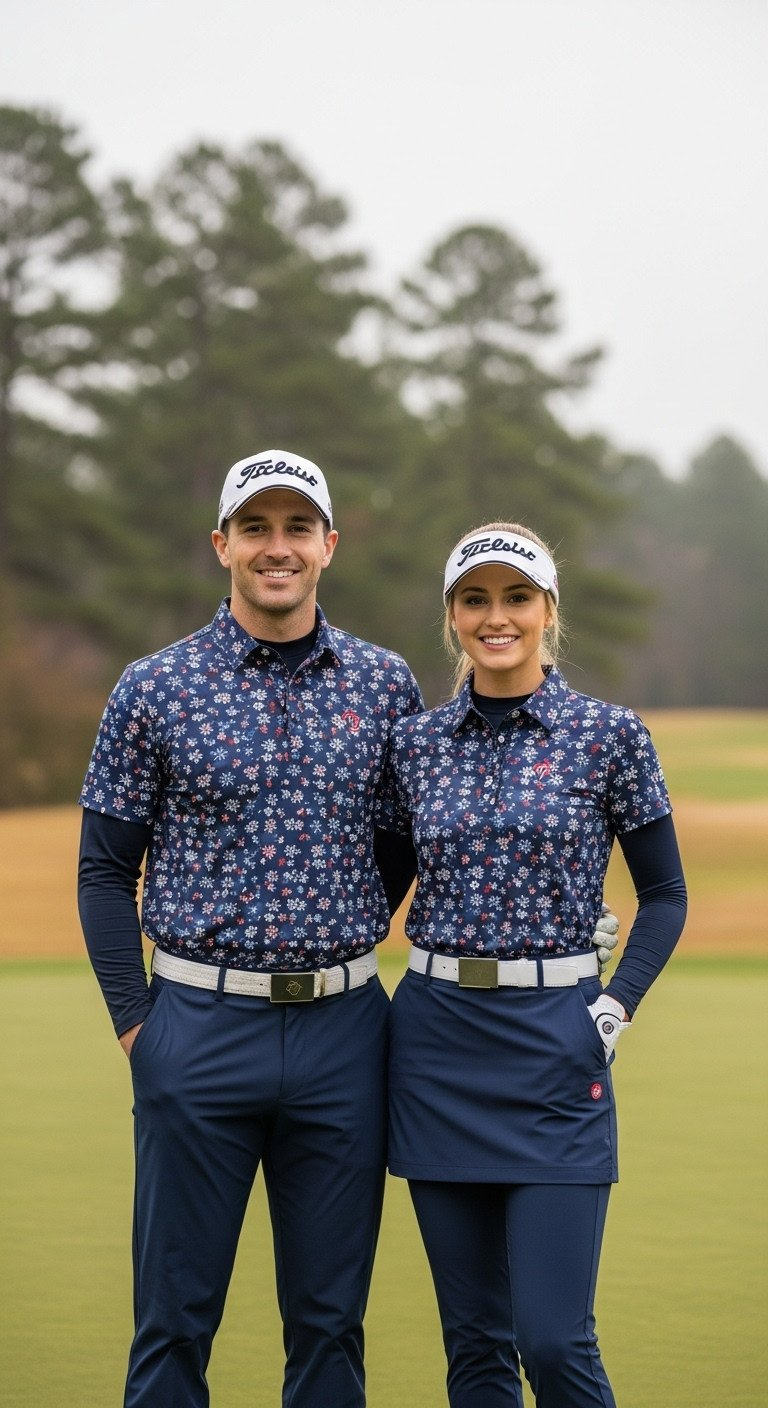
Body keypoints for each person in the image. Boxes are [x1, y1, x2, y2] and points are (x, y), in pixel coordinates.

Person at [77, 450, 424, 1408]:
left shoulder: (386, 687)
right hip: (195, 1027)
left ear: (329, 547)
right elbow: (106, 870)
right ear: (222, 543)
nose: (278, 549)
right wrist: (136, 1022)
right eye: (258, 529)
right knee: (173, 1322)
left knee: (328, 1326)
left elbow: (402, 845)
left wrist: (338, 922)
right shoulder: (154, 688)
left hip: (346, 1034)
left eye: (297, 529)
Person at [382, 521, 687, 1408]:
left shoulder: (609, 737)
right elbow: (374, 888)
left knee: (554, 1343)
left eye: (516, 597)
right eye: (475, 600)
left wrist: (615, 1004)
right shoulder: (416, 745)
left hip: (556, 1044)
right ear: (453, 617)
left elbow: (665, 895)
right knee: (476, 1347)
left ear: (548, 610)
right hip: (436, 1045)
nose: (496, 616)